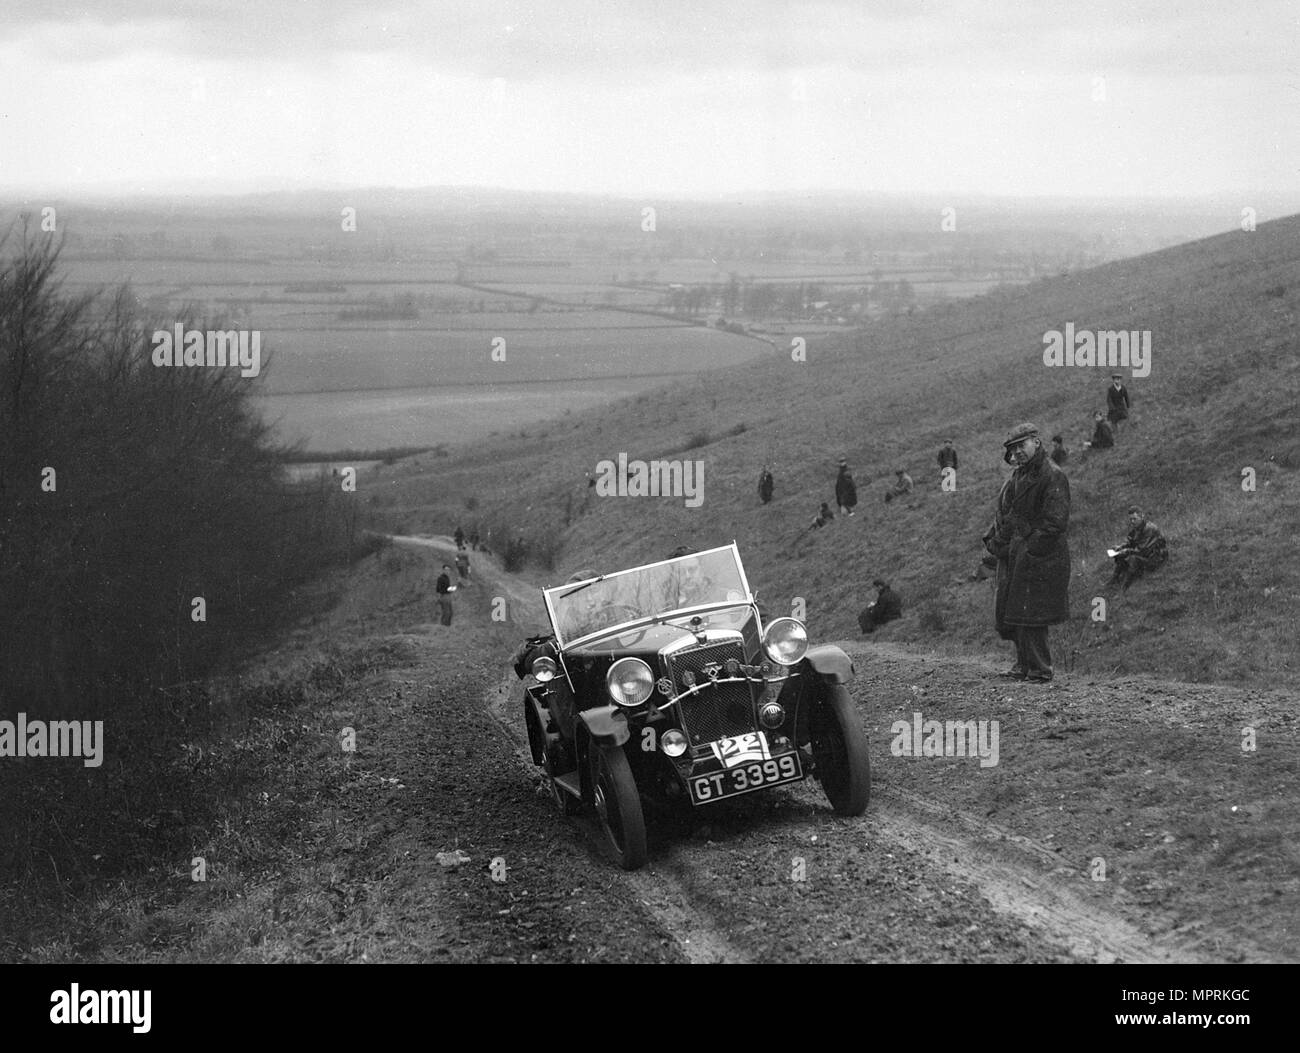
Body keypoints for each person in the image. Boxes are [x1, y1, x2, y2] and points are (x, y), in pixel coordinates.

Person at [983, 422, 1070, 683]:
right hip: (1018, 552)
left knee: (1033, 615)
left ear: (1037, 443)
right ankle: (1023, 665)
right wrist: (997, 542)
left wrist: (1031, 548)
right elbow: (1011, 514)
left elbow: (1055, 522)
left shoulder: (1052, 475)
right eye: (1013, 449)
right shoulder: (1020, 475)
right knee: (1014, 612)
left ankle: (1041, 669)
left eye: (1022, 445)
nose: (1017, 452)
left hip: (1042, 556)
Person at [1110, 506, 1168, 590]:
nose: (1132, 522)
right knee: (1120, 555)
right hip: (1147, 555)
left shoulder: (1149, 528)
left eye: (1134, 519)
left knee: (1133, 559)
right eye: (1131, 519)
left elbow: (1143, 551)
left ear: (1141, 517)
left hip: (1156, 558)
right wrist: (1120, 547)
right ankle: (1114, 580)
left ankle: (1124, 587)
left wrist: (1126, 551)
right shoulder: (1137, 528)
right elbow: (1130, 542)